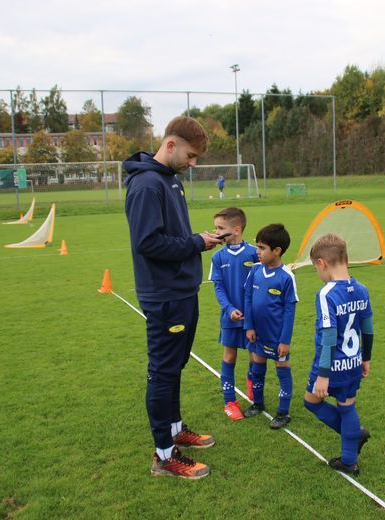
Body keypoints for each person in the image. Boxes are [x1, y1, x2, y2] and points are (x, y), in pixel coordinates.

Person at [124, 116, 223, 480]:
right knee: (163, 371)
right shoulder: (147, 185)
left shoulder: (170, 180)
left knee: (175, 366)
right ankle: (164, 456)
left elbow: (172, 236)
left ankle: (175, 428)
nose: (193, 163)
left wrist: (199, 239)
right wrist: (196, 243)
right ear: (170, 145)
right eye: (190, 155)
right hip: (164, 295)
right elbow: (148, 243)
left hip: (183, 290)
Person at [303, 234, 373, 477]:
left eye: (316, 269)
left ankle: (352, 437)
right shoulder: (362, 289)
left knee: (311, 402)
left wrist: (323, 375)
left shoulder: (327, 293)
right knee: (347, 406)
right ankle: (349, 460)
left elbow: (329, 335)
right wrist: (366, 358)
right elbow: (368, 328)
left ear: (321, 263)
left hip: (331, 366)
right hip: (354, 363)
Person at [243, 224, 298, 429]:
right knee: (257, 368)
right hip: (257, 333)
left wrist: (285, 341)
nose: (257, 251)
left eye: (262, 247)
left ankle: (283, 412)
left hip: (276, 337)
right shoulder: (255, 270)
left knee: (282, 370)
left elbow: (290, 311)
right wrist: (249, 326)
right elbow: (248, 298)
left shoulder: (286, 276)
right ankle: (258, 403)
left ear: (277, 251)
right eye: (257, 246)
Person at [208, 208, 259, 420]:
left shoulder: (255, 253)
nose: (216, 232)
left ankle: (252, 384)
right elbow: (218, 287)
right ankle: (230, 402)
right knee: (229, 356)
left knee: (255, 357)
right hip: (229, 317)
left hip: (252, 318)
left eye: (220, 228)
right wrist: (229, 309)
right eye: (216, 228)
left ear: (236, 230)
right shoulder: (218, 256)